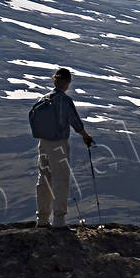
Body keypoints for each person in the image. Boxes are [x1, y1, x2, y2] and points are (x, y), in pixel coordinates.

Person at [35, 68, 93, 229]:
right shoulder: (65, 101)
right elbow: (76, 123)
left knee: (44, 179)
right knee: (60, 180)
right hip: (58, 144)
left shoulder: (43, 98)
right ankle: (59, 221)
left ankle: (42, 220)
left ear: (54, 80)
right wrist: (86, 136)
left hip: (43, 143)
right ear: (67, 83)